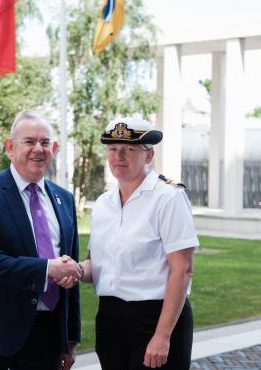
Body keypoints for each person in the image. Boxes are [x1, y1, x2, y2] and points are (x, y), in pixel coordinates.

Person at [0, 110, 82, 370]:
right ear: (10, 147)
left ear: (54, 148)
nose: (38, 149)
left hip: (46, 339)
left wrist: (69, 337)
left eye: (45, 142)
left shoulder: (64, 199)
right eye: (29, 141)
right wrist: (48, 269)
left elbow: (70, 268)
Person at [80, 117, 199, 370]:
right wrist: (75, 269)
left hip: (155, 318)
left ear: (148, 155)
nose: (118, 156)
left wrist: (162, 336)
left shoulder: (168, 198)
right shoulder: (103, 203)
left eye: (128, 149)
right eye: (112, 149)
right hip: (110, 320)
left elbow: (183, 270)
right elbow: (97, 264)